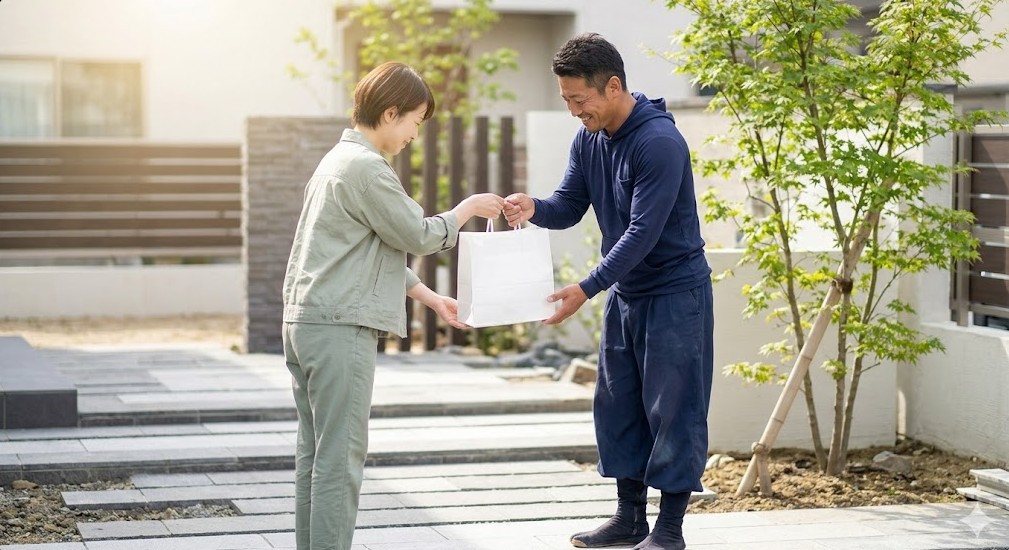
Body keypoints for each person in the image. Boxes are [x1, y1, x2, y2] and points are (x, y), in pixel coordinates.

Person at [281, 61, 504, 550]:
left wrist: (429, 298)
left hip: (307, 321)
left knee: (315, 453)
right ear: (389, 113)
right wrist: (466, 209)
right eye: (414, 121)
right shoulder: (367, 169)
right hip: (341, 327)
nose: (413, 135)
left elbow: (358, 251)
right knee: (340, 460)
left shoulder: (334, 162)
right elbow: (418, 235)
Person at [503, 33, 713, 550]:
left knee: (675, 409)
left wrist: (586, 287)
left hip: (674, 294)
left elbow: (642, 232)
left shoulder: (659, 143)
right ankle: (629, 518)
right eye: (567, 101)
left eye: (580, 100)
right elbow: (569, 205)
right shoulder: (589, 138)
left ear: (613, 85)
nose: (575, 111)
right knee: (618, 405)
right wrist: (533, 208)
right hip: (628, 293)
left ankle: (669, 532)